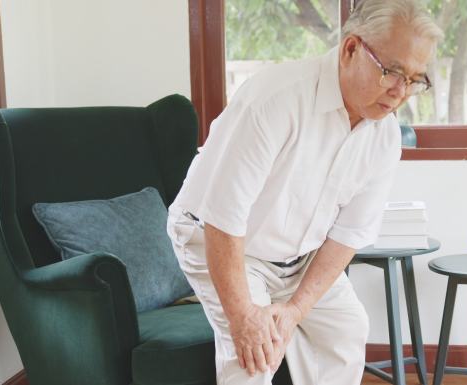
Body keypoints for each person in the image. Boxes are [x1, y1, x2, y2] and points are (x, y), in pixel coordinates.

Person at [167, 1, 443, 384]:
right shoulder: (276, 99)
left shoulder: (384, 137)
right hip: (221, 239)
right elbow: (223, 219)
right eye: (392, 72)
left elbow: (347, 235)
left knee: (347, 329)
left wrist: (295, 310)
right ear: (350, 49)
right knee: (254, 357)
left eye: (415, 80)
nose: (401, 91)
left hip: (297, 256)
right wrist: (245, 317)